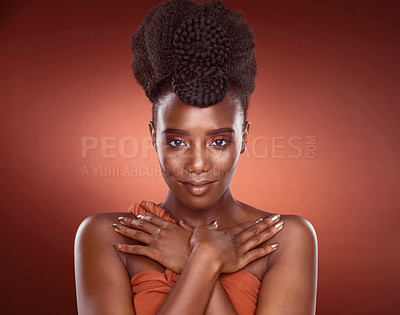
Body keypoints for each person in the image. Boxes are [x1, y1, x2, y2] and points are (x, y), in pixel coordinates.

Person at [74, 0, 318, 314]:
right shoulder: (109, 236)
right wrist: (205, 259)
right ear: (153, 137)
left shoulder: (284, 239)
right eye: (177, 142)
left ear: (243, 138)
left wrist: (198, 256)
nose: (198, 164)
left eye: (218, 141)